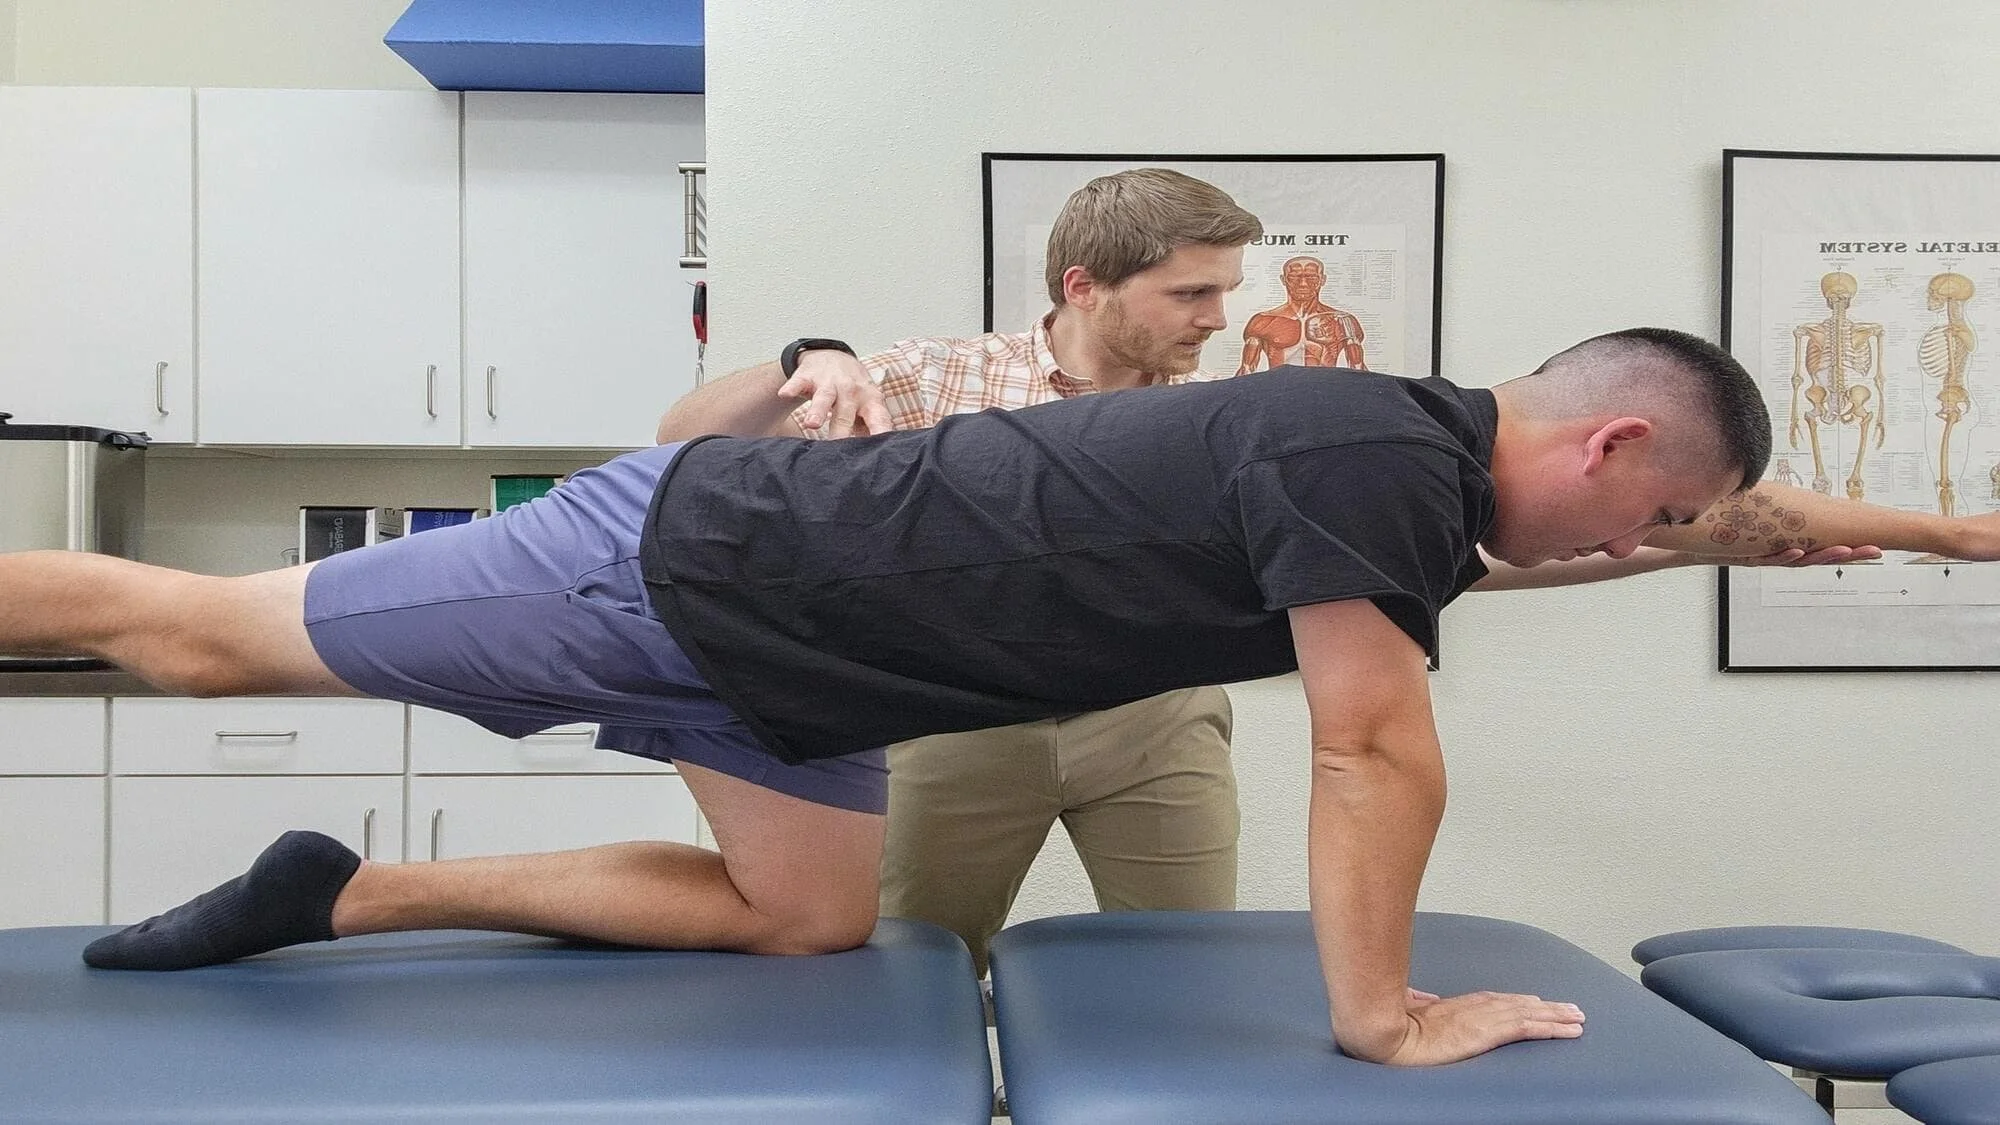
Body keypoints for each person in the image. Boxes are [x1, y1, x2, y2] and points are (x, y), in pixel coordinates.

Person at [11, 327, 1998, 1067]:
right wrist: (1380, 1014)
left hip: (804, 674)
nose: (1616, 553)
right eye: (1627, 520)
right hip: (684, 562)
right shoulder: (1369, 458)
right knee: (191, 629)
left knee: (795, 918)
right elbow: (1372, 735)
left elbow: (1731, 512)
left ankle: (343, 891)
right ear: (1598, 443)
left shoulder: (1420, 481)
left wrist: (1948, 531)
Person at [655, 166, 1263, 975]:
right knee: (905, 970)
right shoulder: (939, 379)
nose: (1218, 319)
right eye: (1191, 293)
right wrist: (800, 363)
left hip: (1154, 722)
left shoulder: (1218, 413)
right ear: (1084, 286)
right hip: (957, 725)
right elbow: (682, 446)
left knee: (1188, 975)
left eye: (1225, 291)